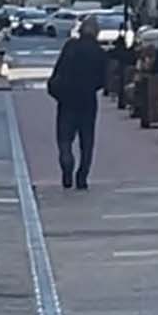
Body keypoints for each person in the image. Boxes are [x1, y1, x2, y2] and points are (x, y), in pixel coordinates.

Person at [47, 14, 109, 190]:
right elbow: (103, 80)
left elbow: (58, 70)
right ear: (96, 33)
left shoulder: (70, 47)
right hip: (87, 100)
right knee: (87, 141)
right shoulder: (99, 52)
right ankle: (82, 176)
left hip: (67, 99)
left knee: (64, 137)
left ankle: (66, 160)